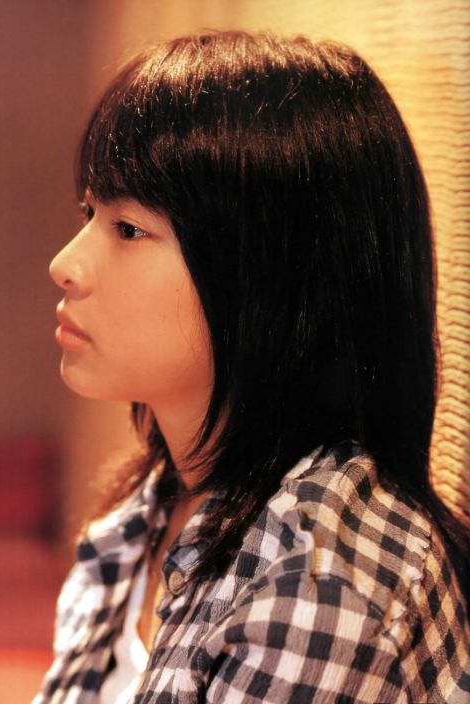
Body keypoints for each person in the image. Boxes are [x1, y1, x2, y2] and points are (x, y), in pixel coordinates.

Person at [33, 29, 470, 703]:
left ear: (271, 278)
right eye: (89, 212)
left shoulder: (320, 581)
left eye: (128, 229)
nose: (65, 264)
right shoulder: (152, 505)